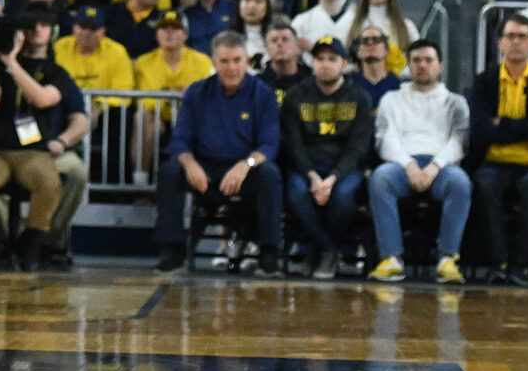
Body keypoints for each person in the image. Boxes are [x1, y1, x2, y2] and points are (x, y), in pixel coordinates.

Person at [0, 6, 89, 271]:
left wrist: (12, 63)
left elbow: (42, 99)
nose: (35, 30)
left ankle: (34, 239)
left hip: (34, 150)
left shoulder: (55, 72)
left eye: (43, 25)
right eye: (30, 26)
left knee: (49, 182)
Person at [154, 30, 282, 275]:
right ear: (213, 63)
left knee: (270, 174)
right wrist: (190, 164)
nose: (231, 68)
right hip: (205, 167)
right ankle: (172, 250)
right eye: (224, 61)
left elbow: (269, 144)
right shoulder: (197, 92)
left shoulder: (263, 93)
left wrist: (246, 165)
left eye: (237, 60)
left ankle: (268, 251)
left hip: (245, 170)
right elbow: (180, 140)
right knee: (170, 172)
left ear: (247, 61)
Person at [367, 39, 472, 284]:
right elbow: (385, 138)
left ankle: (448, 258)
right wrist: (409, 165)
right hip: (402, 164)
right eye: (416, 61)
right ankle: (391, 258)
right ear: (408, 65)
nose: (422, 66)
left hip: (442, 166)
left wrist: (435, 166)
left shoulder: (456, 101)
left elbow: (460, 140)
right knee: (380, 179)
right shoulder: (390, 99)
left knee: (460, 183)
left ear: (440, 66)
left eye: (428, 60)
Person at [467, 12, 528, 284]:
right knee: (484, 184)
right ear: (499, 42)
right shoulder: (484, 81)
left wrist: (502, 124)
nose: (516, 42)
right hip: (492, 162)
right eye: (510, 36)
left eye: (522, 37)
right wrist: (527, 125)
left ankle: (523, 265)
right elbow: (480, 129)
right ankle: (498, 263)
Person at [280, 37, 374, 277]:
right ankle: (329, 249)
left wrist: (331, 179)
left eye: (332, 59)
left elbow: (358, 147)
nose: (325, 64)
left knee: (343, 197)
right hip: (306, 166)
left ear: (345, 64)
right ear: (312, 63)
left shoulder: (359, 97)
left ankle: (317, 250)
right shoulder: (296, 95)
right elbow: (294, 143)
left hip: (344, 168)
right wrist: (312, 176)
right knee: (297, 193)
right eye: (319, 59)